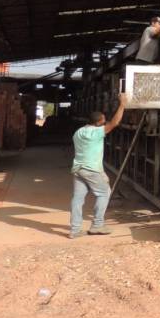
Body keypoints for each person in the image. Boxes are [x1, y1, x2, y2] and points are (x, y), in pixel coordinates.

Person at [69, 93, 127, 239]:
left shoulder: (79, 132)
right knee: (104, 193)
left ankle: (74, 230)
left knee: (77, 199)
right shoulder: (96, 132)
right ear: (98, 122)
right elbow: (114, 123)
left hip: (78, 169)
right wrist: (122, 105)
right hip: (90, 169)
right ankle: (97, 225)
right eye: (103, 121)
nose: (105, 122)